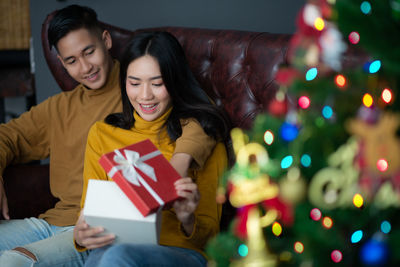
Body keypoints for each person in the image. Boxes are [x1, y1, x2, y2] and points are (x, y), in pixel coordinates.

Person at [0, 5, 216, 267]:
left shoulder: (141, 92)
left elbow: (201, 120)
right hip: (58, 223)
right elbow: (7, 136)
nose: (85, 67)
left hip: (106, 233)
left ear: (106, 40)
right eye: (71, 61)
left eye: (89, 52)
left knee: (12, 262)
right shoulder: (66, 111)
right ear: (61, 63)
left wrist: (177, 166)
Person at [73, 31, 230, 267]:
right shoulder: (101, 134)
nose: (145, 96)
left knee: (116, 257)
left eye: (157, 83)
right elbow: (88, 211)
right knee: (102, 258)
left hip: (182, 254)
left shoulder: (203, 137)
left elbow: (211, 241)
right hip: (112, 248)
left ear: (175, 81)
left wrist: (187, 218)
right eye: (134, 83)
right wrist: (81, 234)